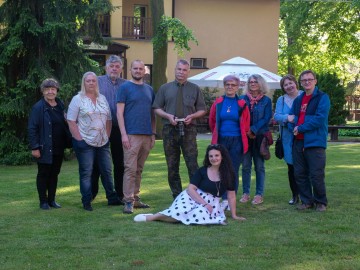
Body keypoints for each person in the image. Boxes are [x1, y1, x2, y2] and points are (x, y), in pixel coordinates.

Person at [133, 144, 246, 225]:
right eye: (211, 156)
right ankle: (153, 217)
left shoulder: (229, 175)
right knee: (179, 213)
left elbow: (231, 196)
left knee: (199, 214)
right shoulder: (202, 171)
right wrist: (204, 204)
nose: (214, 158)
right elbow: (191, 189)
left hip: (212, 202)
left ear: (222, 157)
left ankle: (157, 216)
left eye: (216, 155)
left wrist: (234, 215)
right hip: (192, 196)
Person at [67, 72, 121, 211]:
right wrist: (79, 139)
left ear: (97, 83)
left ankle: (112, 198)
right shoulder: (78, 99)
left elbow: (109, 119)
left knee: (107, 170)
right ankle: (86, 201)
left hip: (102, 142)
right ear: (84, 83)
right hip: (85, 142)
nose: (91, 83)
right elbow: (71, 121)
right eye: (88, 81)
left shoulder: (102, 98)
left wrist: (107, 136)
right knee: (87, 172)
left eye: (93, 81)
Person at [153, 59, 207, 199]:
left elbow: (202, 109)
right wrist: (167, 116)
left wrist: (193, 116)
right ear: (175, 70)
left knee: (192, 164)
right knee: (172, 165)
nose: (181, 72)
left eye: (184, 70)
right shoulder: (165, 88)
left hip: (189, 129)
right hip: (170, 129)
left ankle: (196, 195)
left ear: (188, 72)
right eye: (179, 69)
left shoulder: (194, 88)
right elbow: (156, 108)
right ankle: (176, 196)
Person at [116, 60, 156, 214]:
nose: (138, 71)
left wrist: (153, 133)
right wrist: (124, 135)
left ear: (144, 71)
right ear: (130, 70)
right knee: (130, 169)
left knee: (139, 169)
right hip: (131, 135)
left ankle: (136, 198)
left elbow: (153, 114)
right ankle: (128, 201)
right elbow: (119, 113)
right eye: (135, 68)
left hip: (146, 134)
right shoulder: (124, 88)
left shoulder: (149, 90)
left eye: (141, 68)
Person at [288, 70, 330, 212]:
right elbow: (292, 117)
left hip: (314, 142)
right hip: (298, 142)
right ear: (300, 83)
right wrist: (293, 127)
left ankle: (321, 202)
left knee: (316, 174)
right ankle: (307, 201)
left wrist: (301, 128)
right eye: (304, 80)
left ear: (315, 81)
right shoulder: (298, 100)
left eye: (309, 79)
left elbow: (319, 119)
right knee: (299, 173)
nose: (307, 82)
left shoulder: (322, 97)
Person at [28, 78, 71, 210]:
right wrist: (34, 147)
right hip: (44, 147)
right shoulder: (38, 108)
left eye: (53, 89)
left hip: (58, 147)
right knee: (43, 174)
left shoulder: (60, 105)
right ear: (43, 92)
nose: (51, 92)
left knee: (54, 174)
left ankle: (52, 200)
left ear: (57, 91)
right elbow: (32, 128)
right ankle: (43, 202)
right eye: (47, 89)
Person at [209, 75, 250, 209]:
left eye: (233, 85)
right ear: (224, 86)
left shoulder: (242, 104)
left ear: (237, 87)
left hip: (237, 140)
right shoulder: (218, 102)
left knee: (233, 170)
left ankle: (230, 199)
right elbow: (212, 121)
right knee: (220, 169)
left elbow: (247, 123)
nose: (230, 87)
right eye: (227, 84)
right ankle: (221, 198)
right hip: (221, 140)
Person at [91, 55, 127, 202]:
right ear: (106, 68)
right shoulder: (97, 82)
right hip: (101, 127)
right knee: (98, 163)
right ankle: (92, 193)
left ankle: (120, 193)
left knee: (119, 162)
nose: (114, 68)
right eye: (111, 66)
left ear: (121, 69)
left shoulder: (125, 84)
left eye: (117, 66)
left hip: (119, 128)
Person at [240, 74, 272, 205]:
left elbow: (266, 118)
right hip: (245, 138)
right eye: (250, 82)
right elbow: (240, 116)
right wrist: (247, 130)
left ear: (261, 84)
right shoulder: (242, 99)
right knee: (245, 166)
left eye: (255, 81)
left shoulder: (266, 100)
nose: (252, 83)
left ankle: (259, 194)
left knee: (259, 167)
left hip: (259, 137)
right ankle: (246, 193)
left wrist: (253, 129)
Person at [274, 75, 303, 205]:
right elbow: (277, 116)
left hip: (302, 135)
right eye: (285, 85)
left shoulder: (304, 95)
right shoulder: (281, 99)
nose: (289, 86)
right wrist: (288, 118)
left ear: (295, 83)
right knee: (291, 167)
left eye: (290, 83)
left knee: (304, 167)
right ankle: (295, 195)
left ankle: (306, 195)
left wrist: (295, 120)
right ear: (283, 88)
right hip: (287, 138)